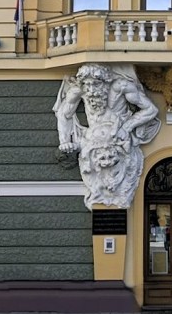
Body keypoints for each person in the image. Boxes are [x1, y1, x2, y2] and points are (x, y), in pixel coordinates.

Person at [54, 64, 160, 209]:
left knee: (122, 184)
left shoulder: (120, 86)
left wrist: (127, 127)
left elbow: (151, 109)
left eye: (96, 84)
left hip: (119, 143)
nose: (91, 90)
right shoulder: (79, 90)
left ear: (105, 81)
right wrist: (64, 141)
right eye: (87, 85)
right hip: (94, 146)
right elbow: (63, 114)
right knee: (100, 189)